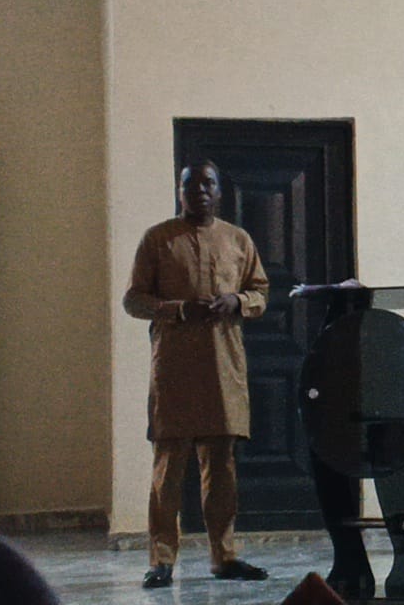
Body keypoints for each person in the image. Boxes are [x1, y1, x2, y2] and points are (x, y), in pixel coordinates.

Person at [123, 158, 271, 589]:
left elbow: (260, 291)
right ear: (179, 191)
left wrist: (238, 302)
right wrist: (178, 309)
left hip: (224, 368)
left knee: (221, 469)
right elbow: (134, 300)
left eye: (208, 184)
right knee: (167, 471)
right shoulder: (158, 239)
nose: (200, 192)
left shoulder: (238, 239)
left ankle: (224, 557)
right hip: (173, 370)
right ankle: (161, 560)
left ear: (220, 191)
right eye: (191, 185)